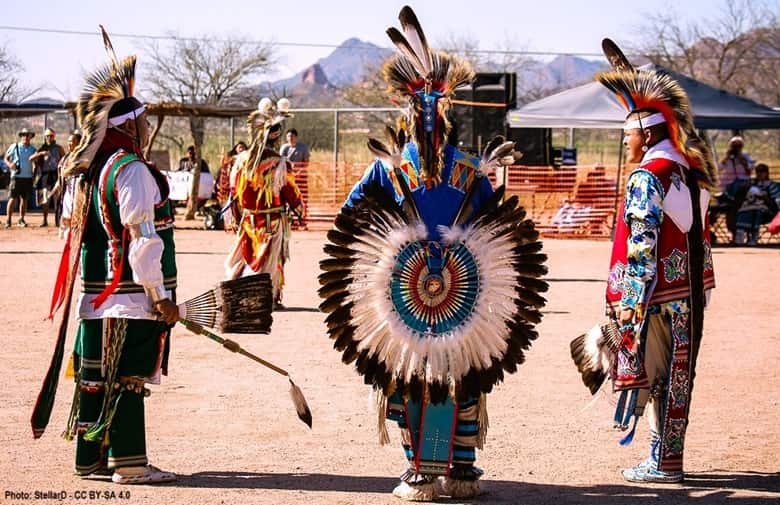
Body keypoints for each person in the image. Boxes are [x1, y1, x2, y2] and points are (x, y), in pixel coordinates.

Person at [324, 7, 547, 501]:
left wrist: (381, 244)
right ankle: (462, 471)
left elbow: (350, 215)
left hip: (403, 293)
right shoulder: (469, 170)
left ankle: (421, 472)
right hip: (463, 292)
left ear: (407, 117)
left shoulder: (387, 170)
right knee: (463, 367)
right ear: (448, 117)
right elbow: (496, 221)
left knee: (407, 371)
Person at [31, 30, 179, 485]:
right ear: (129, 127)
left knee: (95, 380)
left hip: (94, 301)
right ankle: (129, 464)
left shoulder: (88, 173)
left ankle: (91, 459)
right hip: (130, 299)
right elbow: (143, 239)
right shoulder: (132, 172)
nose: (148, 128)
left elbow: (72, 230)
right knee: (128, 378)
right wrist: (159, 295)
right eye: (144, 121)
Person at [596, 40, 716, 483]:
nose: (625, 143)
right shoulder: (689, 169)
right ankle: (669, 460)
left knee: (656, 377)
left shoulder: (648, 176)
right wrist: (703, 286)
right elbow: (700, 235)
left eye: (627, 135)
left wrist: (630, 303)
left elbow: (641, 246)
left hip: (657, 297)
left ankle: (662, 463)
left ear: (646, 135)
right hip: (690, 292)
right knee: (679, 376)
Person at [224, 98, 304, 308]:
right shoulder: (279, 163)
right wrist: (299, 209)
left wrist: (236, 216)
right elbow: (290, 192)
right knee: (271, 258)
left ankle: (239, 293)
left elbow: (234, 193)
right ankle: (267, 297)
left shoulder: (242, 161)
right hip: (272, 221)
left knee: (246, 255)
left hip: (248, 219)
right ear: (276, 137)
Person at [734, 163, 780, 245]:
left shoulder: (772, 185)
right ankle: (740, 235)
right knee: (742, 211)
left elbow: (775, 201)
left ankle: (754, 237)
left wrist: (764, 197)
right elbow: (741, 194)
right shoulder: (752, 183)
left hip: (765, 209)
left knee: (756, 212)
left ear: (767, 173)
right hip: (748, 206)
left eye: (762, 171)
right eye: (758, 171)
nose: (760, 173)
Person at [29, 128, 66, 227]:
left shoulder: (58, 148)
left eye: (51, 136)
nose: (49, 138)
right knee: (45, 199)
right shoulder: (42, 148)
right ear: (45, 137)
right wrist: (41, 153)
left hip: (56, 175)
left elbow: (65, 159)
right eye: (47, 136)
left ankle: (57, 221)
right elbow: (31, 158)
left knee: (57, 198)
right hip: (45, 176)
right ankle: (44, 220)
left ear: (54, 136)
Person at [4, 127, 37, 227]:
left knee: (24, 199)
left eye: (27, 135)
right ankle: (8, 220)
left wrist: (34, 175)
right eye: (23, 135)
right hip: (16, 177)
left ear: (30, 137)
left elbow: (35, 163)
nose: (25, 137)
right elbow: (6, 158)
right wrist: (10, 165)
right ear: (21, 136)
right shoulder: (15, 146)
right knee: (12, 198)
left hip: (28, 177)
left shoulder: (33, 149)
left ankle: (21, 219)